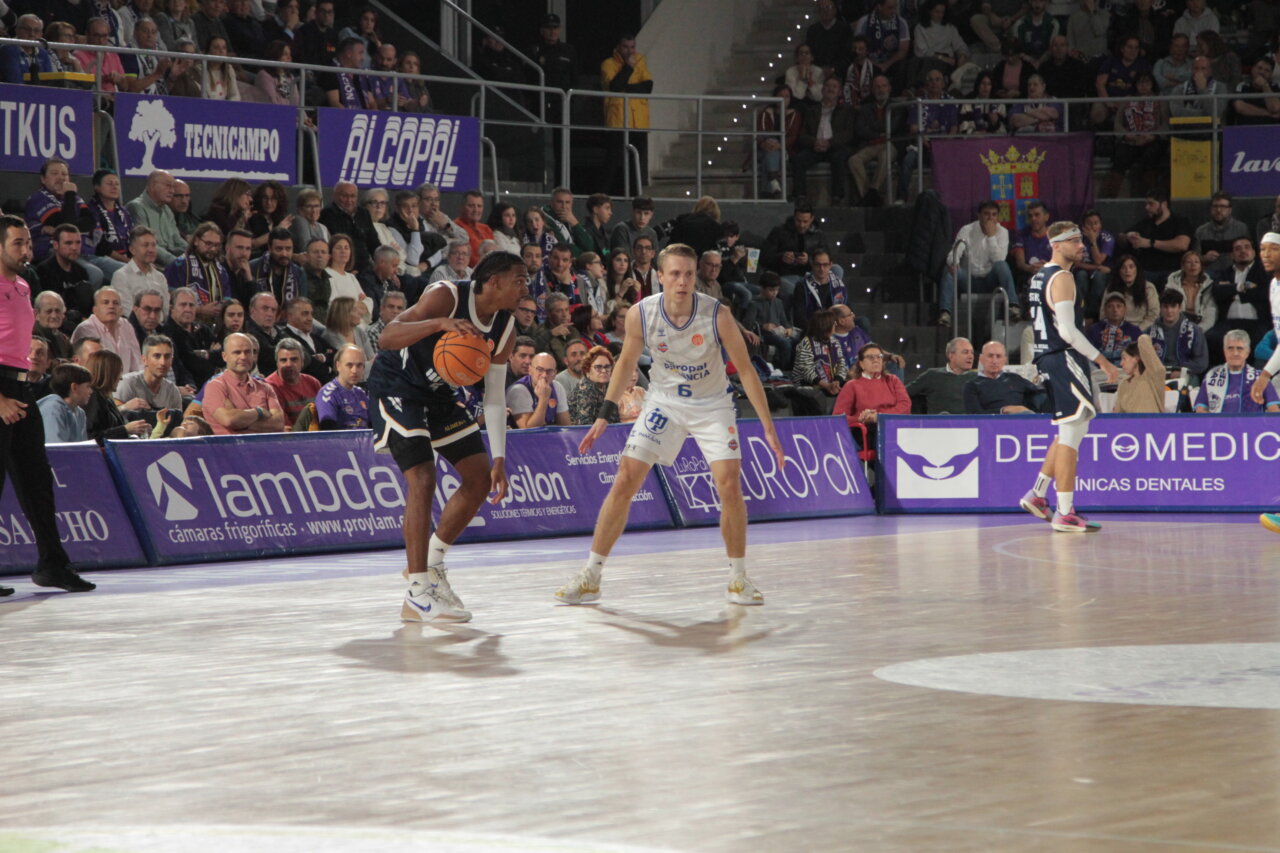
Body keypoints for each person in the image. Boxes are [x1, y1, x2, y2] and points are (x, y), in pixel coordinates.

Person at [556, 243, 784, 607]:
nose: (682, 281)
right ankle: (591, 576)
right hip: (664, 402)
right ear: (660, 276)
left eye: (689, 274)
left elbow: (745, 370)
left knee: (729, 483)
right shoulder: (641, 313)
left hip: (712, 404)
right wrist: (604, 414)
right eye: (675, 274)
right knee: (626, 478)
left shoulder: (718, 314)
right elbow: (625, 362)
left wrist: (768, 426)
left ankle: (738, 578)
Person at [367, 252, 528, 623]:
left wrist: (499, 457)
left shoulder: (505, 327)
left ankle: (432, 564)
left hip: (439, 395)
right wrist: (439, 323)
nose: (525, 289)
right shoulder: (446, 295)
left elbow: (494, 396)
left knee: (479, 478)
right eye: (518, 281)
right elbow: (387, 337)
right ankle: (417, 592)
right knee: (423, 477)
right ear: (494, 281)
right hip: (397, 387)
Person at [0, 214, 95, 594]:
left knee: (38, 481)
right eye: (17, 243)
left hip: (22, 387)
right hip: (1, 390)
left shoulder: (24, 286)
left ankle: (52, 565)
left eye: (28, 242)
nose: (27, 250)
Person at [1018, 221, 1119, 533]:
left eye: (1081, 240)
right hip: (1062, 356)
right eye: (1074, 241)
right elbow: (1067, 331)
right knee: (1072, 432)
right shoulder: (1062, 277)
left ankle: (1038, 494)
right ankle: (1064, 512)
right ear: (1056, 245)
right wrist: (1102, 360)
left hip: (1050, 357)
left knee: (1069, 431)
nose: (1081, 245)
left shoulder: (1040, 276)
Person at [937, 201, 1019, 328]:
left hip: (991, 280)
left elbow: (999, 260)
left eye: (994, 215)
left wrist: (991, 236)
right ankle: (945, 313)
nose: (990, 218)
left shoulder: (1002, 232)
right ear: (979, 215)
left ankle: (1013, 306)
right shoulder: (967, 229)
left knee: (1002, 266)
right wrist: (955, 262)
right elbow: (955, 252)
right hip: (969, 279)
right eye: (987, 214)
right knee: (949, 270)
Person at [600, 33, 653, 194]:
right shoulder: (608, 64)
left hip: (639, 122)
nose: (630, 51)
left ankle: (635, 195)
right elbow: (615, 86)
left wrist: (626, 88)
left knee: (636, 161)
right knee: (613, 160)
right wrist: (628, 68)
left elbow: (648, 87)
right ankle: (604, 195)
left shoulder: (640, 61)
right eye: (625, 47)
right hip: (618, 120)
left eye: (632, 47)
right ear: (618, 47)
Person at [203, 332, 284, 436]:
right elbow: (229, 420)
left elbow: (278, 424)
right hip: (229, 446)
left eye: (248, 352)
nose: (243, 357)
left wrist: (242, 421)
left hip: (263, 445)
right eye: (237, 352)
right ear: (224, 356)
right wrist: (259, 412)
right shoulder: (215, 387)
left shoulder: (265, 388)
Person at [832, 341, 910, 447]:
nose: (876, 360)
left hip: (893, 426)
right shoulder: (852, 385)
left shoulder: (893, 380)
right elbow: (838, 418)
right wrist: (860, 419)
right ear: (861, 364)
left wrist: (879, 416)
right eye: (870, 357)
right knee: (881, 431)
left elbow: (905, 405)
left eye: (879, 357)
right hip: (867, 431)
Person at [793, 77, 855, 205]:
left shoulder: (847, 110)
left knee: (839, 158)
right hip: (815, 147)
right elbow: (803, 135)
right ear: (822, 89)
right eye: (828, 86)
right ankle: (800, 196)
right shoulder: (811, 110)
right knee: (798, 159)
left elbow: (848, 133)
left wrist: (829, 143)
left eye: (834, 87)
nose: (830, 89)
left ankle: (837, 196)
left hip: (835, 146)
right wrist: (814, 142)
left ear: (840, 92)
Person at [1196, 330, 1280, 414]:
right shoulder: (1212, 376)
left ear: (1247, 352)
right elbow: (1200, 410)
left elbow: (1274, 410)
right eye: (1230, 348)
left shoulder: (1260, 378)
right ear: (1224, 351)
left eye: (1239, 348)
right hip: (1219, 422)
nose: (1235, 353)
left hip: (1251, 422)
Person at [1123, 192, 1193, 288]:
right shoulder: (1145, 223)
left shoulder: (1180, 221)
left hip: (1171, 271)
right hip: (1146, 271)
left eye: (1151, 204)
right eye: (1146, 204)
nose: (1147, 207)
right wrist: (1129, 236)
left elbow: (1182, 245)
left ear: (1164, 204)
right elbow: (1121, 236)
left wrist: (1150, 243)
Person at [83, 349, 150, 443]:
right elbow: (91, 437)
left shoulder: (106, 398)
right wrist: (125, 429)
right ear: (108, 374)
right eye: (118, 372)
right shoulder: (92, 398)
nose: (121, 378)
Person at [72, 287, 143, 373]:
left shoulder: (126, 325)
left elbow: (137, 363)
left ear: (121, 310)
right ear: (95, 310)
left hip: (126, 380)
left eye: (116, 303)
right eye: (105, 302)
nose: (111, 306)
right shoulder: (86, 329)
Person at [34, 224, 95, 326]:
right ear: (55, 245)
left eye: (78, 243)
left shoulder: (81, 271)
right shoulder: (44, 271)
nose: (74, 248)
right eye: (68, 243)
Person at [791, 307, 848, 413]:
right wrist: (826, 385)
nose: (835, 325)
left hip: (831, 384)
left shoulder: (835, 342)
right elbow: (806, 371)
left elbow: (841, 364)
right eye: (833, 323)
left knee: (851, 386)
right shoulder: (806, 343)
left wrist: (837, 381)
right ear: (825, 325)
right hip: (809, 386)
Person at [964, 340, 1041, 414]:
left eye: (998, 356)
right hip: (993, 422)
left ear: (1005, 360)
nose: (994, 361)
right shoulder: (972, 386)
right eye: (990, 356)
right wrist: (1003, 410)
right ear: (981, 359)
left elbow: (1039, 392)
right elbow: (975, 415)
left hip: (1022, 419)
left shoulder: (1015, 378)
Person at [1146, 288, 1208, 379]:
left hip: (1186, 374)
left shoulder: (1194, 331)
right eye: (1165, 307)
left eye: (1173, 306)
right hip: (1157, 375)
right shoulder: (1149, 332)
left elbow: (1202, 362)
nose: (1169, 311)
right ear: (1160, 308)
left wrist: (1182, 371)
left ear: (1179, 307)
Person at [906, 337, 974, 413]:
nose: (970, 356)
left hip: (970, 421)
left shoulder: (977, 378)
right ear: (951, 356)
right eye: (965, 352)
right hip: (940, 420)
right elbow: (903, 393)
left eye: (972, 352)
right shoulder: (932, 375)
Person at [507, 352, 569, 429]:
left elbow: (565, 426)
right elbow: (529, 431)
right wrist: (543, 399)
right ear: (530, 370)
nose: (544, 375)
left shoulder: (557, 387)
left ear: (555, 374)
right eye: (540, 369)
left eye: (549, 371)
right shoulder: (518, 390)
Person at [315, 345, 369, 430]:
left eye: (359, 365)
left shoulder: (361, 393)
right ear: (338, 366)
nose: (354, 371)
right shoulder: (327, 393)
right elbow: (328, 431)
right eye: (349, 365)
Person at [37, 363, 92, 444]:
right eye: (88, 386)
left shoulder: (80, 413)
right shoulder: (53, 409)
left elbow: (83, 447)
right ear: (74, 387)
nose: (91, 391)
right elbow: (55, 447)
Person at [1112, 334, 1167, 414]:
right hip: (1129, 422)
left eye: (1124, 358)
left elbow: (1143, 340)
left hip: (1152, 421)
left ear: (1136, 358)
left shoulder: (1153, 376)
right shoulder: (1123, 384)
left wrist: (1139, 342)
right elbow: (1117, 414)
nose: (1121, 363)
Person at [1086, 292, 1144, 366]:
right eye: (1110, 306)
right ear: (1105, 310)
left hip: (1125, 370)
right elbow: (1087, 355)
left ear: (1125, 309)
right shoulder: (1093, 330)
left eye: (1119, 306)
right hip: (1098, 370)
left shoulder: (1134, 331)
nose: (1115, 310)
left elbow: (1139, 357)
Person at [1104, 254, 1159, 328]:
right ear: (1119, 271)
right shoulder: (1111, 288)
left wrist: (1137, 331)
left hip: (1141, 330)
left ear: (1137, 270)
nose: (1127, 270)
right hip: (1115, 329)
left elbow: (1153, 315)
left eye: (1131, 267)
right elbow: (1103, 314)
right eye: (1123, 267)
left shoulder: (1148, 288)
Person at [1167, 250, 1215, 330]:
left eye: (1196, 262)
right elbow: (1168, 308)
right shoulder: (1173, 284)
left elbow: (1211, 311)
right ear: (1183, 266)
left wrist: (1200, 329)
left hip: (1200, 324)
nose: (1193, 265)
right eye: (1189, 262)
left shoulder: (1208, 286)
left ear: (1201, 266)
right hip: (1176, 323)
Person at [32, 292, 73, 362]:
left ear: (63, 314)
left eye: (58, 311)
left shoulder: (64, 340)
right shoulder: (29, 337)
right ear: (36, 314)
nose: (54, 316)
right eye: (49, 311)